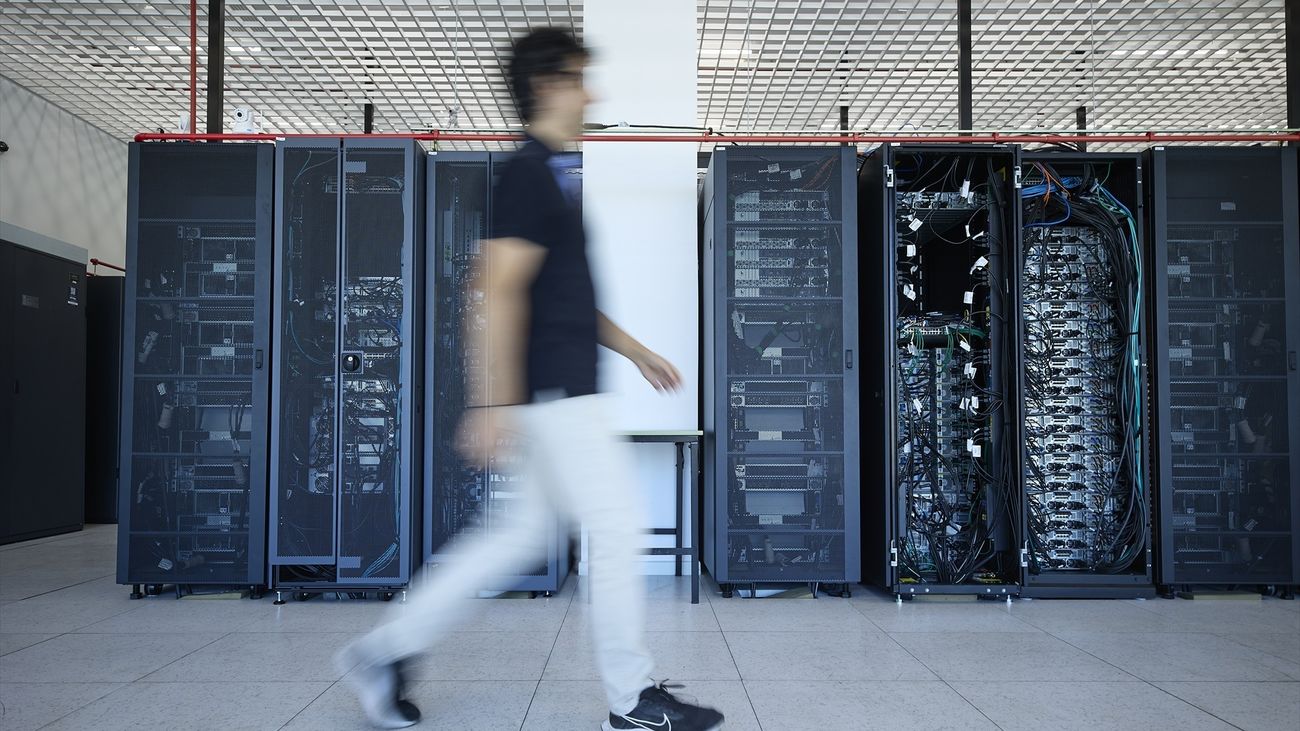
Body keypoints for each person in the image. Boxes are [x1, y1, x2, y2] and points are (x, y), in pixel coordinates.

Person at [335, 26, 725, 731]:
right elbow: (496, 287)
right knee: (614, 524)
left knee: (511, 537)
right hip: (553, 393)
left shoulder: (549, 175)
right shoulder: (525, 174)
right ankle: (633, 702)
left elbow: (563, 296)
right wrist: (490, 400)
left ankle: (385, 652)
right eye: (581, 78)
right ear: (549, 86)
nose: (592, 92)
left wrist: (637, 351)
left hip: (556, 388)